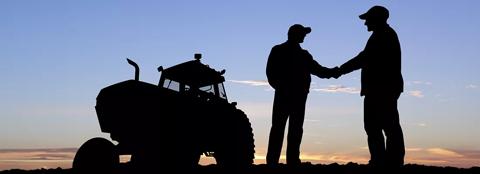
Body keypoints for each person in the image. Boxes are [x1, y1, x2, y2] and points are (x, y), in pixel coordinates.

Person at [334, 6, 405, 169]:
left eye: (368, 19)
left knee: (382, 125)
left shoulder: (383, 36)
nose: (365, 22)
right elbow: (364, 58)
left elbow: (363, 58)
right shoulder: (381, 35)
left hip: (381, 88)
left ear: (377, 19)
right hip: (382, 88)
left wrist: (340, 70)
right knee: (381, 125)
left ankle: (387, 161)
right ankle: (385, 160)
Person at [266, 24, 337, 166]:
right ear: (294, 34)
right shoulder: (280, 50)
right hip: (288, 96)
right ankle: (276, 161)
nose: (304, 36)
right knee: (281, 128)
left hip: (296, 96)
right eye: (302, 33)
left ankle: (288, 160)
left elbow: (319, 70)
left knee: (293, 129)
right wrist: (281, 87)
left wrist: (333, 72)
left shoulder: (302, 54)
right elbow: (271, 73)